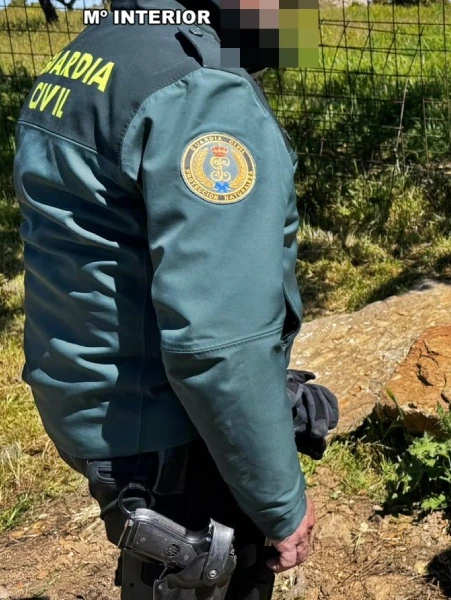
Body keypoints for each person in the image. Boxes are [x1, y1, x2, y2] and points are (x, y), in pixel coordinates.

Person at [12, 0, 333, 597]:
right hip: (171, 433)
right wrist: (281, 504)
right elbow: (219, 344)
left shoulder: (95, 50)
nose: (301, 11)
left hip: (100, 407)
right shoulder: (201, 90)